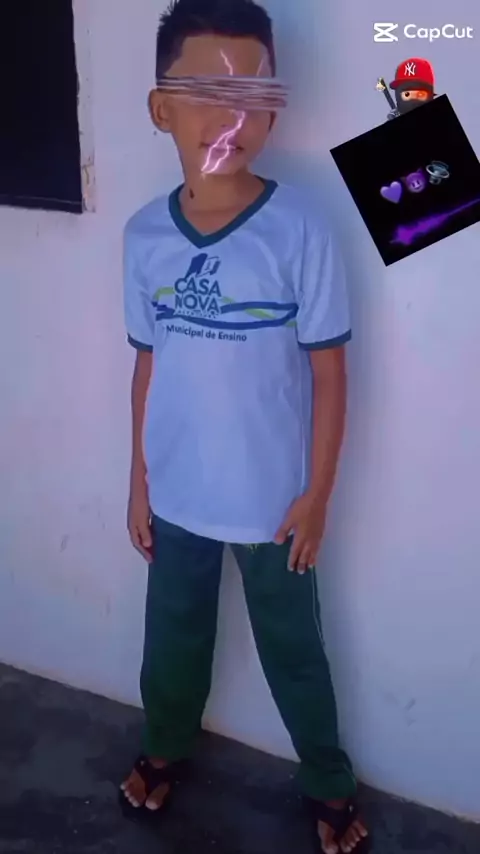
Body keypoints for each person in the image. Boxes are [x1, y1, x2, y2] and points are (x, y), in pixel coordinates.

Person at [120, 1, 369, 852]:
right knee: (172, 642)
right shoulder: (144, 237)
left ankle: (328, 783)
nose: (230, 116)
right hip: (177, 494)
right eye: (205, 91)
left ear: (272, 112)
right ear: (161, 108)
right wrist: (138, 483)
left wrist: (317, 496)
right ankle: (163, 748)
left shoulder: (302, 229)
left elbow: (330, 373)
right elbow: (147, 366)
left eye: (250, 95)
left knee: (296, 652)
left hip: (273, 506)